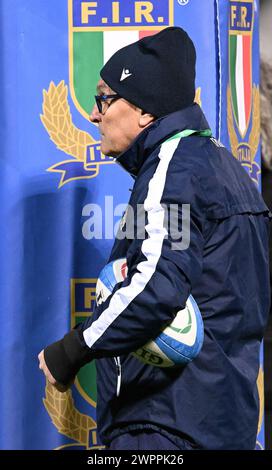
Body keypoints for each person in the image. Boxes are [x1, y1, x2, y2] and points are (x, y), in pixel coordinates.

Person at [38, 27, 271, 450]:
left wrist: (72, 349)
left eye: (104, 100)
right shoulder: (220, 167)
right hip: (225, 425)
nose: (94, 115)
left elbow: (156, 287)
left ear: (144, 113)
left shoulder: (174, 171)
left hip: (164, 427)